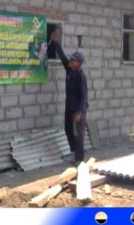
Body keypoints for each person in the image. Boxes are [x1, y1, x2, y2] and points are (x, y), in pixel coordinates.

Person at [49, 31, 88, 164]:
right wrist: (55, 42)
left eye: (73, 60)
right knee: (68, 129)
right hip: (69, 107)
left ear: (79, 63)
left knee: (80, 134)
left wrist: (79, 112)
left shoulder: (80, 75)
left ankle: (80, 159)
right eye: (71, 60)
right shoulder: (70, 70)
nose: (70, 61)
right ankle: (74, 152)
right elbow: (62, 56)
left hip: (78, 109)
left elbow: (84, 96)